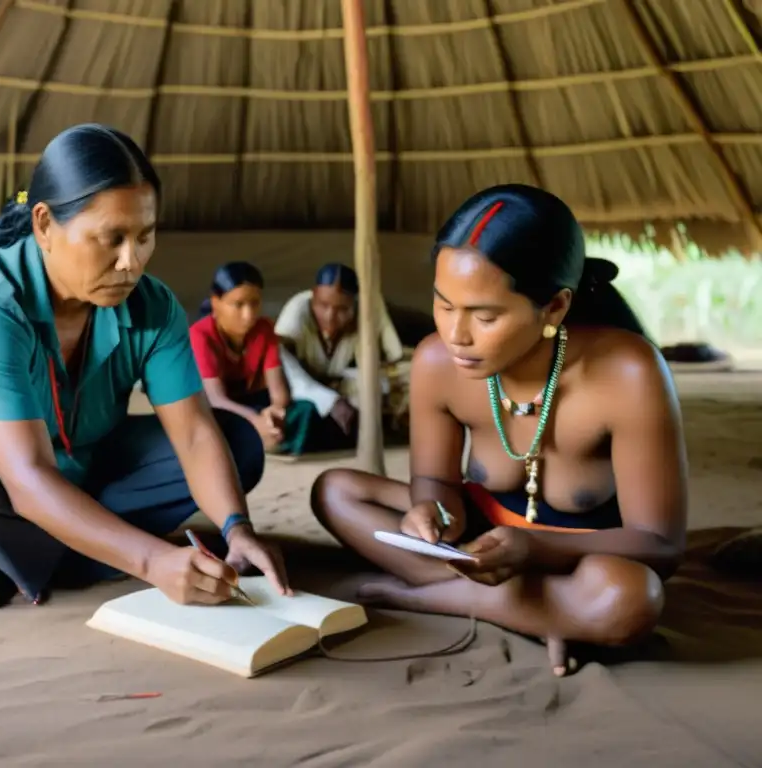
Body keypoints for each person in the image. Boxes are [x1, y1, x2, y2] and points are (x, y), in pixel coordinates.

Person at [0, 124, 290, 611]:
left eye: (145, 237)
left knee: (236, 441)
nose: (132, 262)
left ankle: (24, 556)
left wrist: (238, 528)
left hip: (82, 466)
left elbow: (192, 433)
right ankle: (86, 545)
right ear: (44, 225)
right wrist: (153, 562)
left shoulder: (152, 305)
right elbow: (26, 476)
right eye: (112, 239)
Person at [310, 184, 687, 675]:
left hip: (580, 560)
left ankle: (429, 598)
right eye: (444, 306)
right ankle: (536, 611)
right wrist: (432, 511)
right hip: (478, 548)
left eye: (484, 316)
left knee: (630, 598)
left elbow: (660, 543)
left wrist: (536, 548)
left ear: (554, 307)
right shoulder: (435, 361)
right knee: (336, 491)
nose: (456, 335)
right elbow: (437, 483)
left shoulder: (628, 373)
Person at [189, 262, 317, 455]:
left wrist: (273, 412)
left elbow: (279, 393)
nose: (248, 315)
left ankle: (265, 438)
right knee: (206, 423)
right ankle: (263, 440)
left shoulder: (264, 330)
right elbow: (216, 399)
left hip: (254, 404)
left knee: (305, 409)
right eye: (238, 305)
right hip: (220, 408)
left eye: (254, 303)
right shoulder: (200, 335)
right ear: (216, 302)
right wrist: (254, 418)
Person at [275, 264, 409, 446]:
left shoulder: (367, 310)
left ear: (354, 303)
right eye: (323, 306)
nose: (330, 316)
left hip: (343, 381)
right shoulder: (297, 311)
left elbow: (387, 361)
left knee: (411, 376)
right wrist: (330, 401)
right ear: (313, 295)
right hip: (307, 386)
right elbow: (283, 367)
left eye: (342, 309)